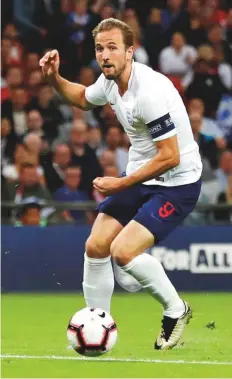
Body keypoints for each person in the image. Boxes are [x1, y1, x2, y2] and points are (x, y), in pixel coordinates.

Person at [40, 17, 202, 350]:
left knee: (123, 252)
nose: (104, 55)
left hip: (177, 182)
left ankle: (176, 309)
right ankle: (97, 325)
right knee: (95, 246)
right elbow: (84, 98)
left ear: (130, 51)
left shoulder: (150, 93)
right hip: (142, 174)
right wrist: (54, 79)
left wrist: (120, 183)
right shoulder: (112, 81)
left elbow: (170, 156)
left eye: (113, 47)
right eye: (100, 48)